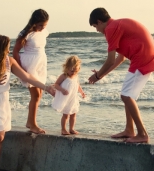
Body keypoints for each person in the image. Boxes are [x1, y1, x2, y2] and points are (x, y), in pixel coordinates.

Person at [0, 34, 54, 171]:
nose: (9, 50)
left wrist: (46, 87)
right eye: (7, 48)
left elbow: (27, 77)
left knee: (0, 135)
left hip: (2, 101)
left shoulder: (10, 61)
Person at [88, 8, 154, 143]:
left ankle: (142, 134)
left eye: (95, 26)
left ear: (100, 22)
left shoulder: (111, 29)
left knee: (126, 96)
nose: (97, 30)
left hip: (142, 59)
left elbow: (110, 60)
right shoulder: (118, 25)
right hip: (143, 57)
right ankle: (130, 129)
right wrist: (101, 75)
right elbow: (120, 59)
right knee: (127, 95)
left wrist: (97, 76)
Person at [13, 9, 49, 134]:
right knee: (36, 95)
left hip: (41, 64)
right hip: (30, 64)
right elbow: (15, 51)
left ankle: (30, 121)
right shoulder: (25, 33)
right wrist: (21, 68)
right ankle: (33, 124)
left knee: (39, 95)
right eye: (40, 25)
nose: (42, 27)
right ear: (34, 22)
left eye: (45, 25)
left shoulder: (43, 32)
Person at [52, 55, 85, 135]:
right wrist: (62, 90)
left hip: (73, 99)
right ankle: (63, 129)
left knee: (74, 114)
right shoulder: (64, 76)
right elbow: (56, 84)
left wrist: (82, 92)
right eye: (71, 71)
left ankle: (71, 129)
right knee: (66, 115)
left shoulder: (76, 76)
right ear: (66, 68)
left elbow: (77, 85)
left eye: (76, 71)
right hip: (66, 99)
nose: (73, 73)